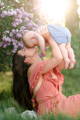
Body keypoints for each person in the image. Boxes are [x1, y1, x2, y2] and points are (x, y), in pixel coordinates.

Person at [12, 44, 80, 118]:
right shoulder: (32, 69)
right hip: (52, 110)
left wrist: (65, 44)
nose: (25, 46)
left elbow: (64, 60)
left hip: (60, 105)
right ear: (26, 60)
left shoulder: (45, 68)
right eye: (24, 50)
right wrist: (50, 39)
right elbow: (58, 58)